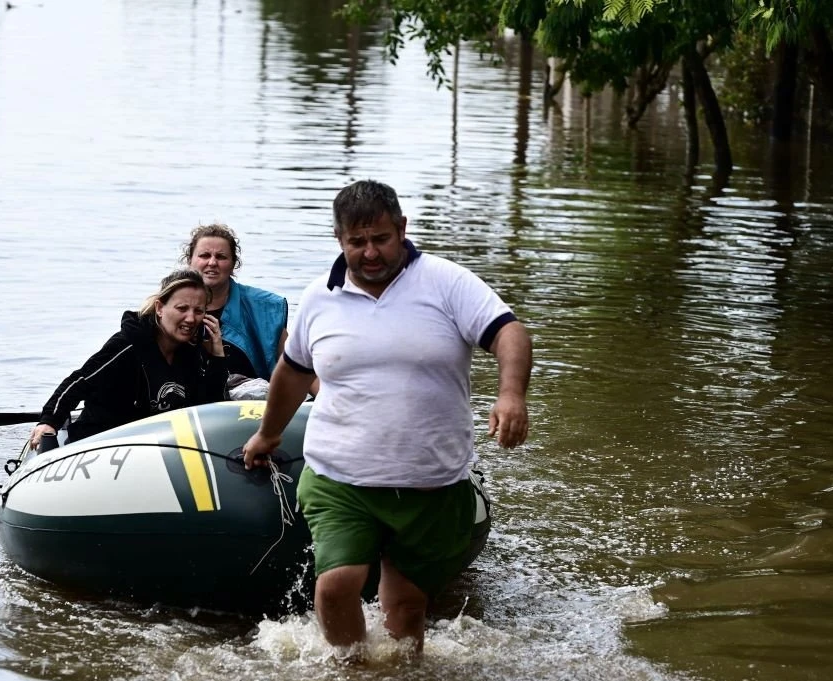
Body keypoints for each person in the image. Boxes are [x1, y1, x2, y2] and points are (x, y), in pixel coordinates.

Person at [241, 179, 532, 656]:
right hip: (341, 476)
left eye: (380, 239)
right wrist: (267, 435)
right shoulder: (320, 297)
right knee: (337, 587)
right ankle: (353, 679)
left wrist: (511, 395)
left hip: (430, 485)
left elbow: (510, 333)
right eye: (357, 242)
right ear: (340, 240)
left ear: (401, 228)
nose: (370, 253)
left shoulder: (447, 282)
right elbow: (292, 374)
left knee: (406, 613)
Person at [28, 269, 227, 449]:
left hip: (157, 449)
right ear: (160, 308)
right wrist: (49, 421)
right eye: (182, 308)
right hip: (99, 446)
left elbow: (208, 410)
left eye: (198, 311)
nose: (191, 319)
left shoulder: (192, 352)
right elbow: (80, 381)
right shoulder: (128, 344)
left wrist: (217, 356)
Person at [182, 223, 288, 383]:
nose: (212, 263)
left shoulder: (266, 309)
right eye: (204, 255)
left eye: (221, 257)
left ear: (233, 264)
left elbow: (297, 366)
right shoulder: (168, 304)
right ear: (190, 260)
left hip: (252, 400)